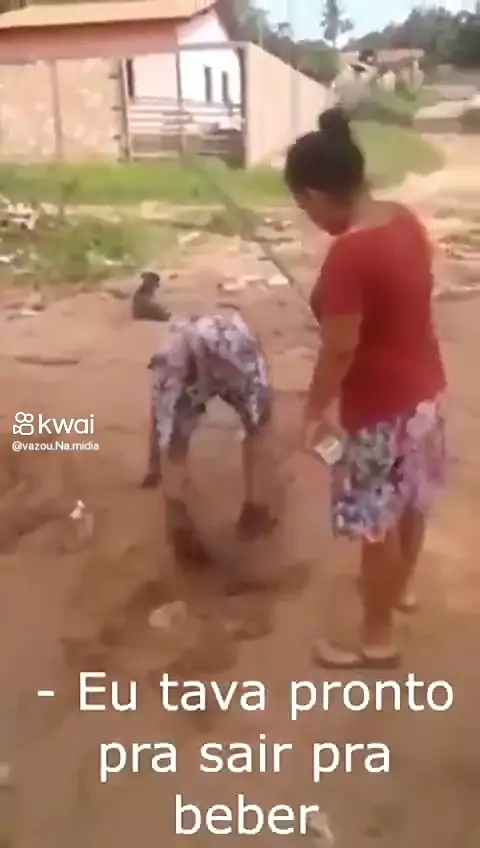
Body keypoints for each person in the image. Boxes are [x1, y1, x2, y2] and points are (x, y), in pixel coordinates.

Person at [284, 108, 446, 669]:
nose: (309, 218)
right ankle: (398, 591)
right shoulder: (403, 220)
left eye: (304, 207)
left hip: (379, 409)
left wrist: (313, 410)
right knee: (411, 502)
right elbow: (392, 303)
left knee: (376, 525)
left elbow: (340, 348)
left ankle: (376, 638)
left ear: (315, 194)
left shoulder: (350, 253)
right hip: (425, 393)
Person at [141, 310, 278, 565]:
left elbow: (161, 419)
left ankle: (181, 529)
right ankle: (255, 513)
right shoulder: (240, 339)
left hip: (185, 364)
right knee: (260, 427)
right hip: (231, 359)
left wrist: (154, 460)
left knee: (174, 446)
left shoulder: (170, 355)